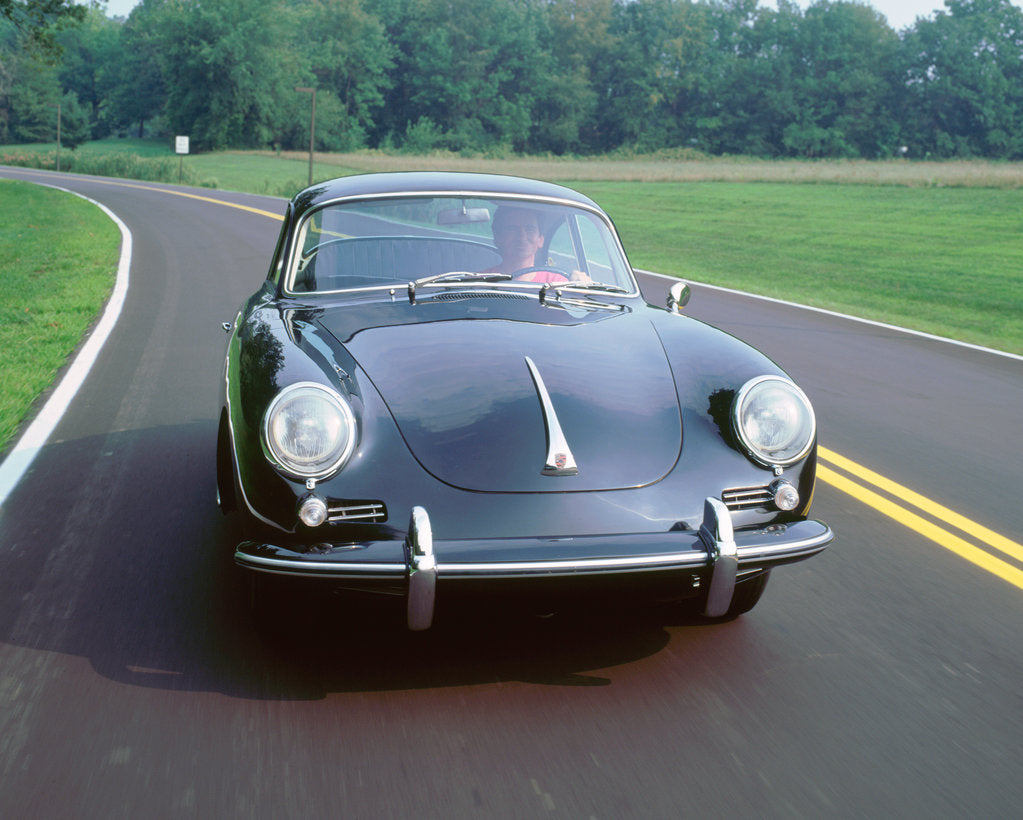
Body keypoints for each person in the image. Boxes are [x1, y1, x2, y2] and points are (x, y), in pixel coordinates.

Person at [484, 206, 590, 282]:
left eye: (530, 229)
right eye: (512, 229)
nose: (522, 237)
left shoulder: (558, 283)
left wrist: (583, 288)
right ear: (498, 238)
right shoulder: (482, 282)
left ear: (541, 240)